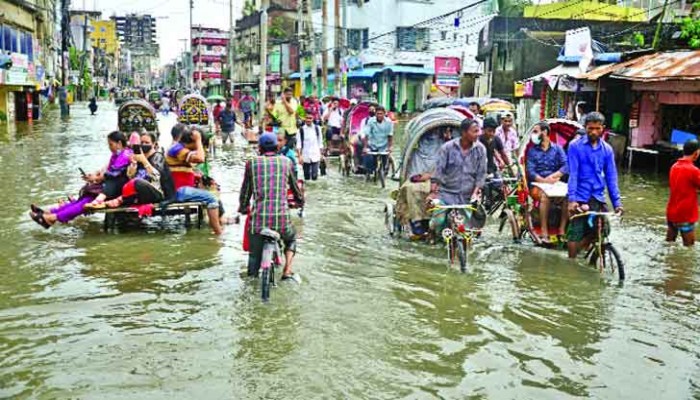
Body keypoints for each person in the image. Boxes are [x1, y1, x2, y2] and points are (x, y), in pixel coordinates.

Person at [28, 131, 132, 228]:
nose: (110, 147)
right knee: (82, 200)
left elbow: (112, 174)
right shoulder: (118, 154)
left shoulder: (125, 155)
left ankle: (52, 217)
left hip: (115, 191)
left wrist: (95, 178)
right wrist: (94, 177)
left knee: (85, 202)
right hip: (109, 187)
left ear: (119, 143)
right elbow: (108, 171)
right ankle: (51, 213)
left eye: (111, 144)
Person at [239, 133, 304, 280]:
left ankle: (252, 277)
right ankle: (287, 270)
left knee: (254, 255)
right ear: (277, 146)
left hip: (258, 222)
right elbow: (295, 188)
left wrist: (243, 207)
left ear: (260, 148)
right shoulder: (287, 162)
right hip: (281, 221)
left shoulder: (252, 163)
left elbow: (246, 191)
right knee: (291, 238)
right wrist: (300, 202)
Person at [567, 112, 623, 258]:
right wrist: (572, 200)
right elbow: (573, 174)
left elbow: (611, 178)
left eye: (597, 128)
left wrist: (617, 203)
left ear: (603, 129)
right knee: (576, 232)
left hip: (597, 196)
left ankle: (586, 251)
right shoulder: (575, 146)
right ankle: (571, 264)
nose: (593, 132)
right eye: (590, 128)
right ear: (585, 127)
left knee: (603, 230)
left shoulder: (607, 150)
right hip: (580, 196)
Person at [166, 124, 223, 235]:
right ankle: (218, 233)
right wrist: (198, 140)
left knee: (213, 192)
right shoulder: (178, 149)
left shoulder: (179, 149)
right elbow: (201, 158)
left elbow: (182, 170)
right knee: (211, 199)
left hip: (181, 189)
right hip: (179, 191)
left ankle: (219, 222)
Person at [104, 132, 176, 208]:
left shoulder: (158, 157)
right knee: (119, 179)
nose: (144, 144)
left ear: (154, 144)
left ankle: (120, 200)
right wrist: (133, 165)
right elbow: (130, 177)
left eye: (147, 142)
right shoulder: (139, 158)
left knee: (137, 182)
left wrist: (144, 161)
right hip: (140, 192)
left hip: (157, 192)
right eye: (142, 142)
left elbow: (156, 177)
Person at [526, 121, 569, 241]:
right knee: (545, 197)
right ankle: (544, 231)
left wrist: (554, 176)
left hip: (554, 182)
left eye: (536, 131)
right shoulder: (532, 151)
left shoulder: (558, 149)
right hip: (538, 185)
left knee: (568, 196)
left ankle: (562, 229)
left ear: (544, 132)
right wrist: (544, 180)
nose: (533, 135)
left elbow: (566, 165)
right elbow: (530, 171)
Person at [430, 118, 487, 206]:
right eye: (475, 131)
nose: (478, 134)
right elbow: (438, 171)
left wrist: (475, 193)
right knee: (438, 219)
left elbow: (481, 174)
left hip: (468, 196)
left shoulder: (480, 149)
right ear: (464, 133)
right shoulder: (447, 148)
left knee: (469, 218)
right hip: (446, 194)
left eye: (478, 131)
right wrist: (433, 192)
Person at [666, 140, 700, 246]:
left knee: (669, 244)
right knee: (689, 248)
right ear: (696, 153)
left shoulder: (674, 167)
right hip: (685, 215)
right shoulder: (694, 170)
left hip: (671, 213)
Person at [362, 106, 393, 175]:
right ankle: (369, 172)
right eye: (378, 113)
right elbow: (367, 134)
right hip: (373, 144)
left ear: (384, 114)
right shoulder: (371, 121)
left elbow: (390, 135)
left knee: (385, 164)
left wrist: (390, 147)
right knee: (370, 161)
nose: (379, 115)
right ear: (375, 114)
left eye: (381, 114)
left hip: (383, 145)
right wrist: (365, 147)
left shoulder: (389, 122)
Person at [298, 114, 323, 181]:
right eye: (307, 118)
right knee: (307, 177)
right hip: (305, 155)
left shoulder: (317, 129)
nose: (308, 120)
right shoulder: (301, 130)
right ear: (305, 119)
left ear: (313, 118)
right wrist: (300, 156)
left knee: (314, 176)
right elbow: (299, 144)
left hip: (315, 155)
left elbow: (320, 142)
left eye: (310, 118)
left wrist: (321, 154)